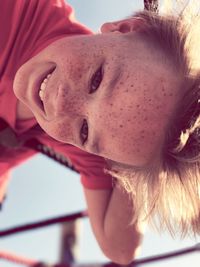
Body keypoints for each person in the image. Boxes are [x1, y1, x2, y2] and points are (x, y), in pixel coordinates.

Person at [1, 0, 199, 263]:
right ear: (125, 27)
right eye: (97, 79)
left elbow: (120, 249)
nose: (61, 105)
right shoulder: (16, 12)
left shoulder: (90, 139)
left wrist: (139, 164)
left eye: (84, 131)